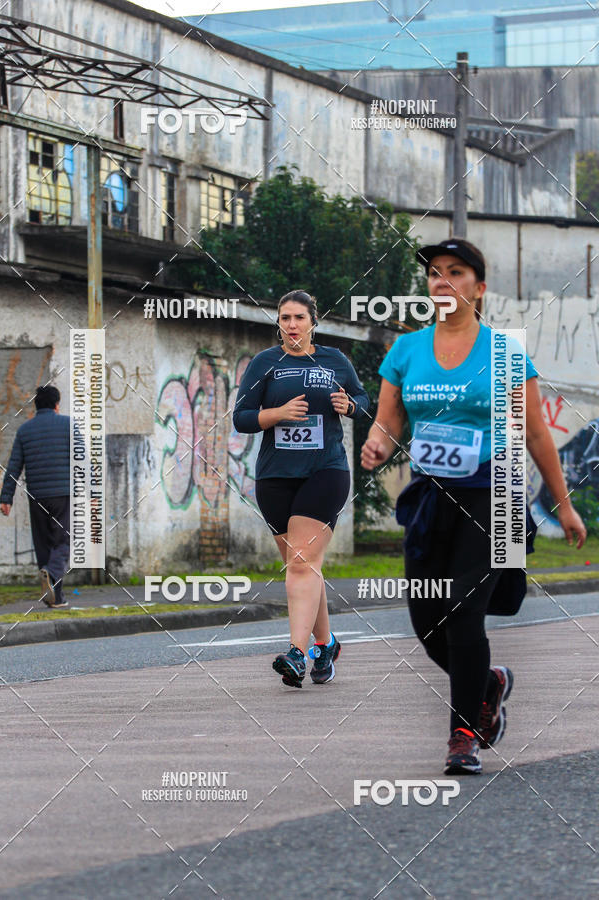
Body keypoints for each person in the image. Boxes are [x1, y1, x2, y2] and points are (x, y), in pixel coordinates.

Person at [361, 238, 586, 775]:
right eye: (435, 274)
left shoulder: (506, 353)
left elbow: (535, 435)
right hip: (431, 497)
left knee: (464, 612)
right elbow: (390, 419)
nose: (443, 282)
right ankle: (488, 684)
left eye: (455, 272)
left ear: (478, 289)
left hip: (499, 496)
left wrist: (564, 505)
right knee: (424, 617)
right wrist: (377, 442)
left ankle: (463, 736)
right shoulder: (407, 351)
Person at [233, 290, 369, 687]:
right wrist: (277, 414)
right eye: (285, 318)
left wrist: (351, 406)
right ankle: (325, 644)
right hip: (275, 476)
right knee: (304, 567)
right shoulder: (265, 363)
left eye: (299, 318)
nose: (291, 325)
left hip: (325, 471)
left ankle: (297, 653)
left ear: (313, 322)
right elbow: (241, 417)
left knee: (299, 563)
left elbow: (361, 400)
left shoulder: (335, 360)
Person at [0, 385, 71, 608]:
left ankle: (55, 597)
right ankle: (50, 573)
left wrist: (6, 497)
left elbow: (14, 466)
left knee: (43, 544)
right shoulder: (69, 425)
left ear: (36, 405)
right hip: (61, 494)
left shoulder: (24, 430)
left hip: (37, 496)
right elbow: (83, 461)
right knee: (62, 541)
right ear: (57, 405)